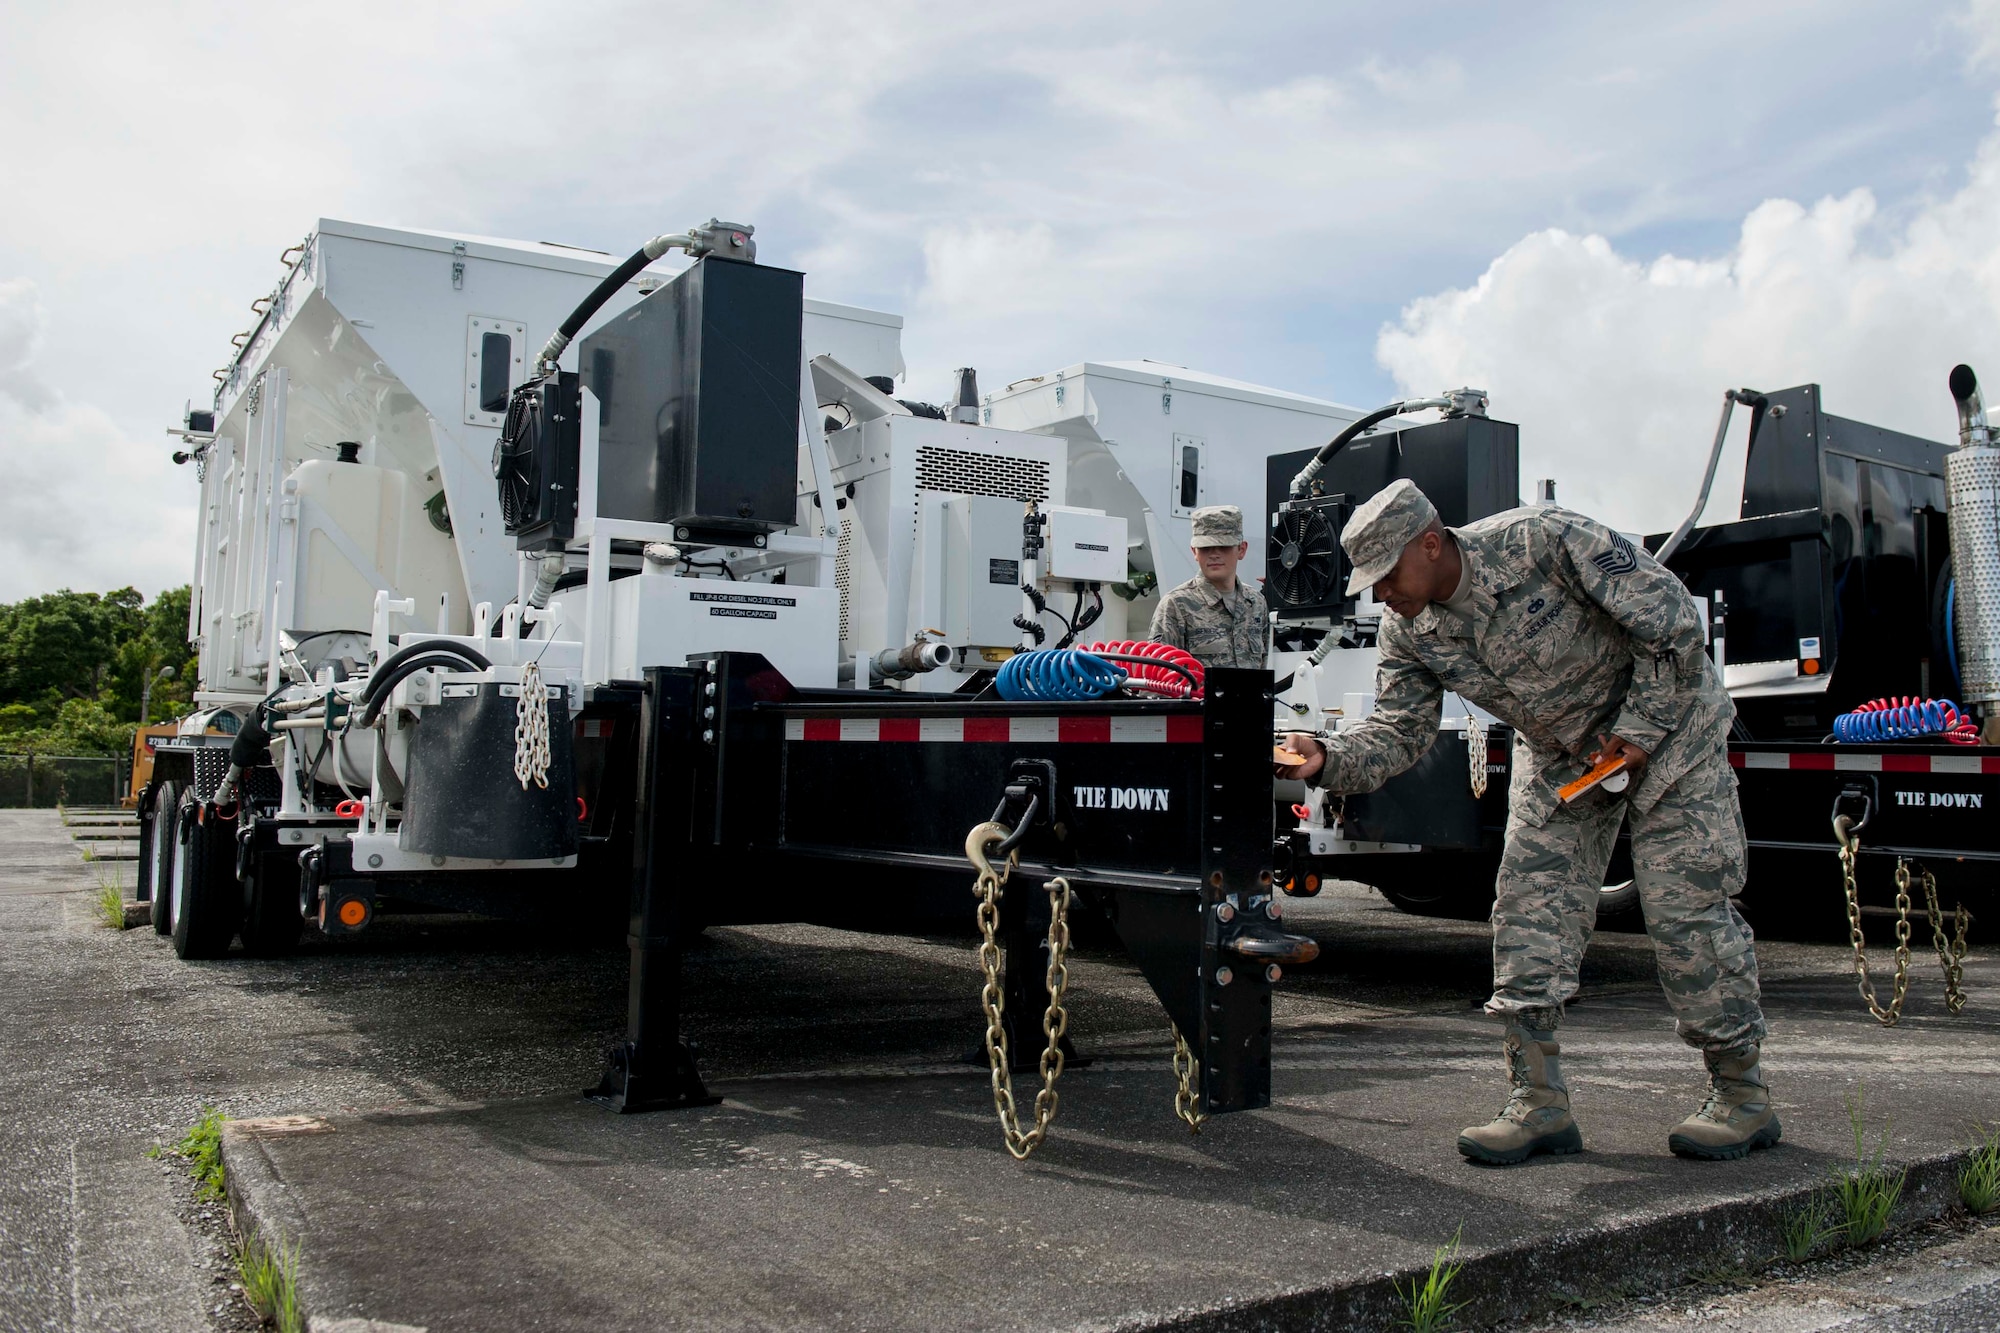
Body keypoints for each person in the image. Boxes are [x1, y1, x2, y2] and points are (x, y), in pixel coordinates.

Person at [1276, 479, 1775, 1166]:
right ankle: (1538, 1103)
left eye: (1387, 573)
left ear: (1430, 542)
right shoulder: (1409, 629)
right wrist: (1325, 757)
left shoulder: (1542, 541)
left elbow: (1672, 626)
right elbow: (1400, 730)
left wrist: (1637, 730)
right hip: (1569, 757)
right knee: (1525, 911)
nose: (1381, 593)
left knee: (1684, 909)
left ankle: (1741, 1095)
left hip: (1672, 733)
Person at [1148, 504, 1267, 668]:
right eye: (1205, 548)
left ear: (1241, 549)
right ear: (1194, 552)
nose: (1214, 554)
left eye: (1224, 546)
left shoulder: (1256, 603)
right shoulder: (1176, 605)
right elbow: (1158, 679)